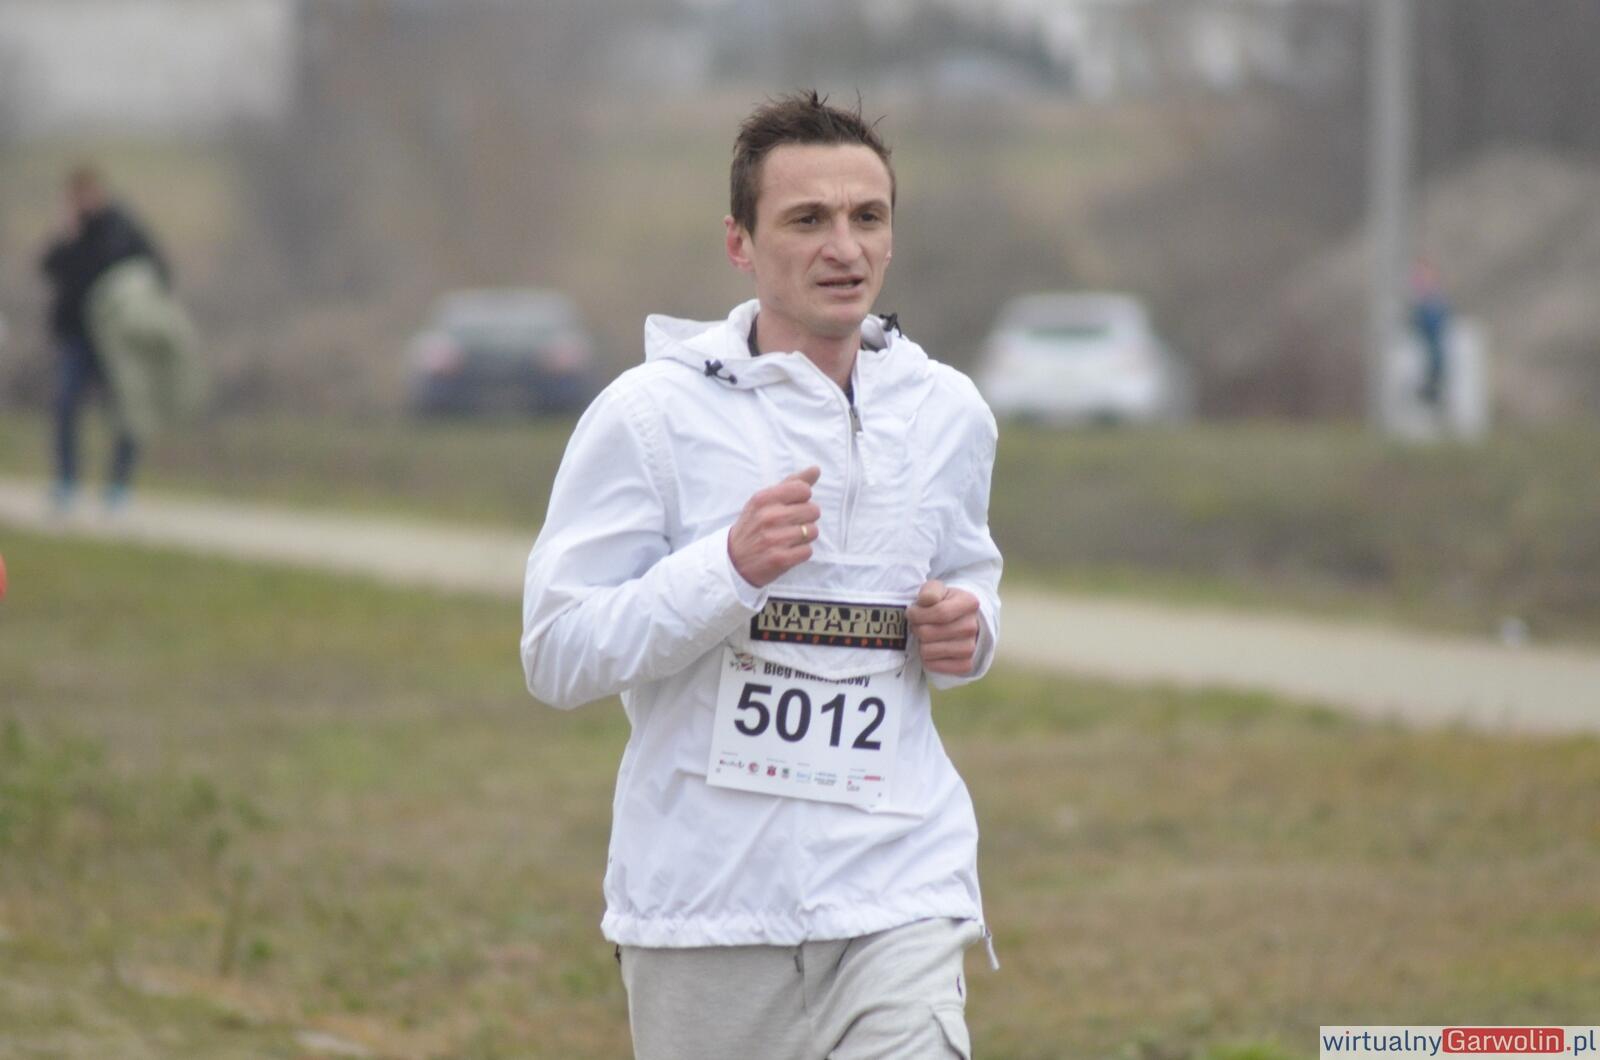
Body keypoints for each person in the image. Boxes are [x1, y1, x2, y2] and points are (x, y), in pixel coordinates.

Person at [521, 92, 1003, 1059]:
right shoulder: (650, 416)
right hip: (707, 914)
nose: (844, 248)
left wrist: (972, 629)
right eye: (807, 219)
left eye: (868, 217)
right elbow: (557, 653)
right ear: (740, 243)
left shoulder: (947, 411)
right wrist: (726, 570)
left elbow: (968, 579)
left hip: (899, 890)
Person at [38, 165, 172, 511]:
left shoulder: (121, 228)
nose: (82, 202)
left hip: (117, 341)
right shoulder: (72, 232)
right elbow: (47, 266)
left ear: (99, 193)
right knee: (66, 405)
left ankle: (118, 486)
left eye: (87, 194)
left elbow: (158, 268)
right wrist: (66, 235)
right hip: (77, 337)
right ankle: (67, 482)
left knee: (128, 409)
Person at [1411, 259, 1452, 407]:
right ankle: (1428, 393)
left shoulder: (1435, 302)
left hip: (1433, 346)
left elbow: (1440, 321)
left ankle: (1432, 393)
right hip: (1423, 344)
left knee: (1435, 364)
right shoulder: (1420, 303)